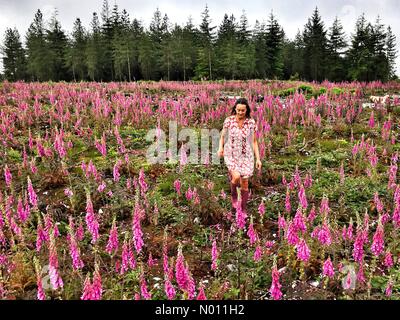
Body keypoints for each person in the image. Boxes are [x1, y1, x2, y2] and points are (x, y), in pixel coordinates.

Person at [217, 98, 262, 215]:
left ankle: (243, 208)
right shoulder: (229, 121)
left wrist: (258, 159)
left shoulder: (251, 122)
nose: (240, 112)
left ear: (246, 110)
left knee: (245, 183)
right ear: (235, 109)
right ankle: (234, 199)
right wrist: (220, 148)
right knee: (236, 177)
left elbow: (254, 142)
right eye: (238, 110)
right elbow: (222, 136)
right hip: (231, 153)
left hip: (246, 156)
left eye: (243, 110)